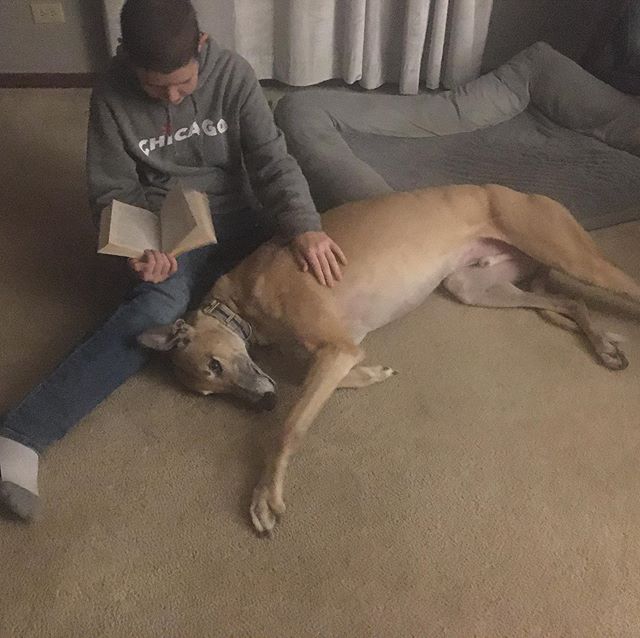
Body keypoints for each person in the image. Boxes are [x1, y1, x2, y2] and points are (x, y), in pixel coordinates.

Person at [0, 0, 346, 521]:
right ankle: (20, 439)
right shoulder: (111, 94)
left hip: (243, 216)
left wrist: (305, 226)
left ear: (201, 47)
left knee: (319, 269)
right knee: (151, 312)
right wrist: (142, 249)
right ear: (126, 57)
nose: (172, 96)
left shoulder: (233, 74)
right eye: (155, 86)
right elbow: (111, 191)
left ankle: (226, 349)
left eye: (182, 84)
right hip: (168, 231)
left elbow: (271, 159)